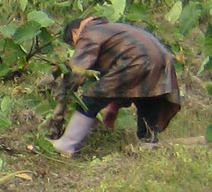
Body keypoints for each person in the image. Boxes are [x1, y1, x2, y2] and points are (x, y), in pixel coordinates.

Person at [51, 16, 181, 157]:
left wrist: (62, 101)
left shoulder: (89, 33)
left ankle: (67, 144)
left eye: (74, 44)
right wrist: (113, 107)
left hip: (136, 61)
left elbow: (77, 71)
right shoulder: (112, 28)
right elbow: (122, 84)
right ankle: (148, 146)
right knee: (147, 97)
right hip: (162, 61)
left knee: (89, 99)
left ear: (75, 32)